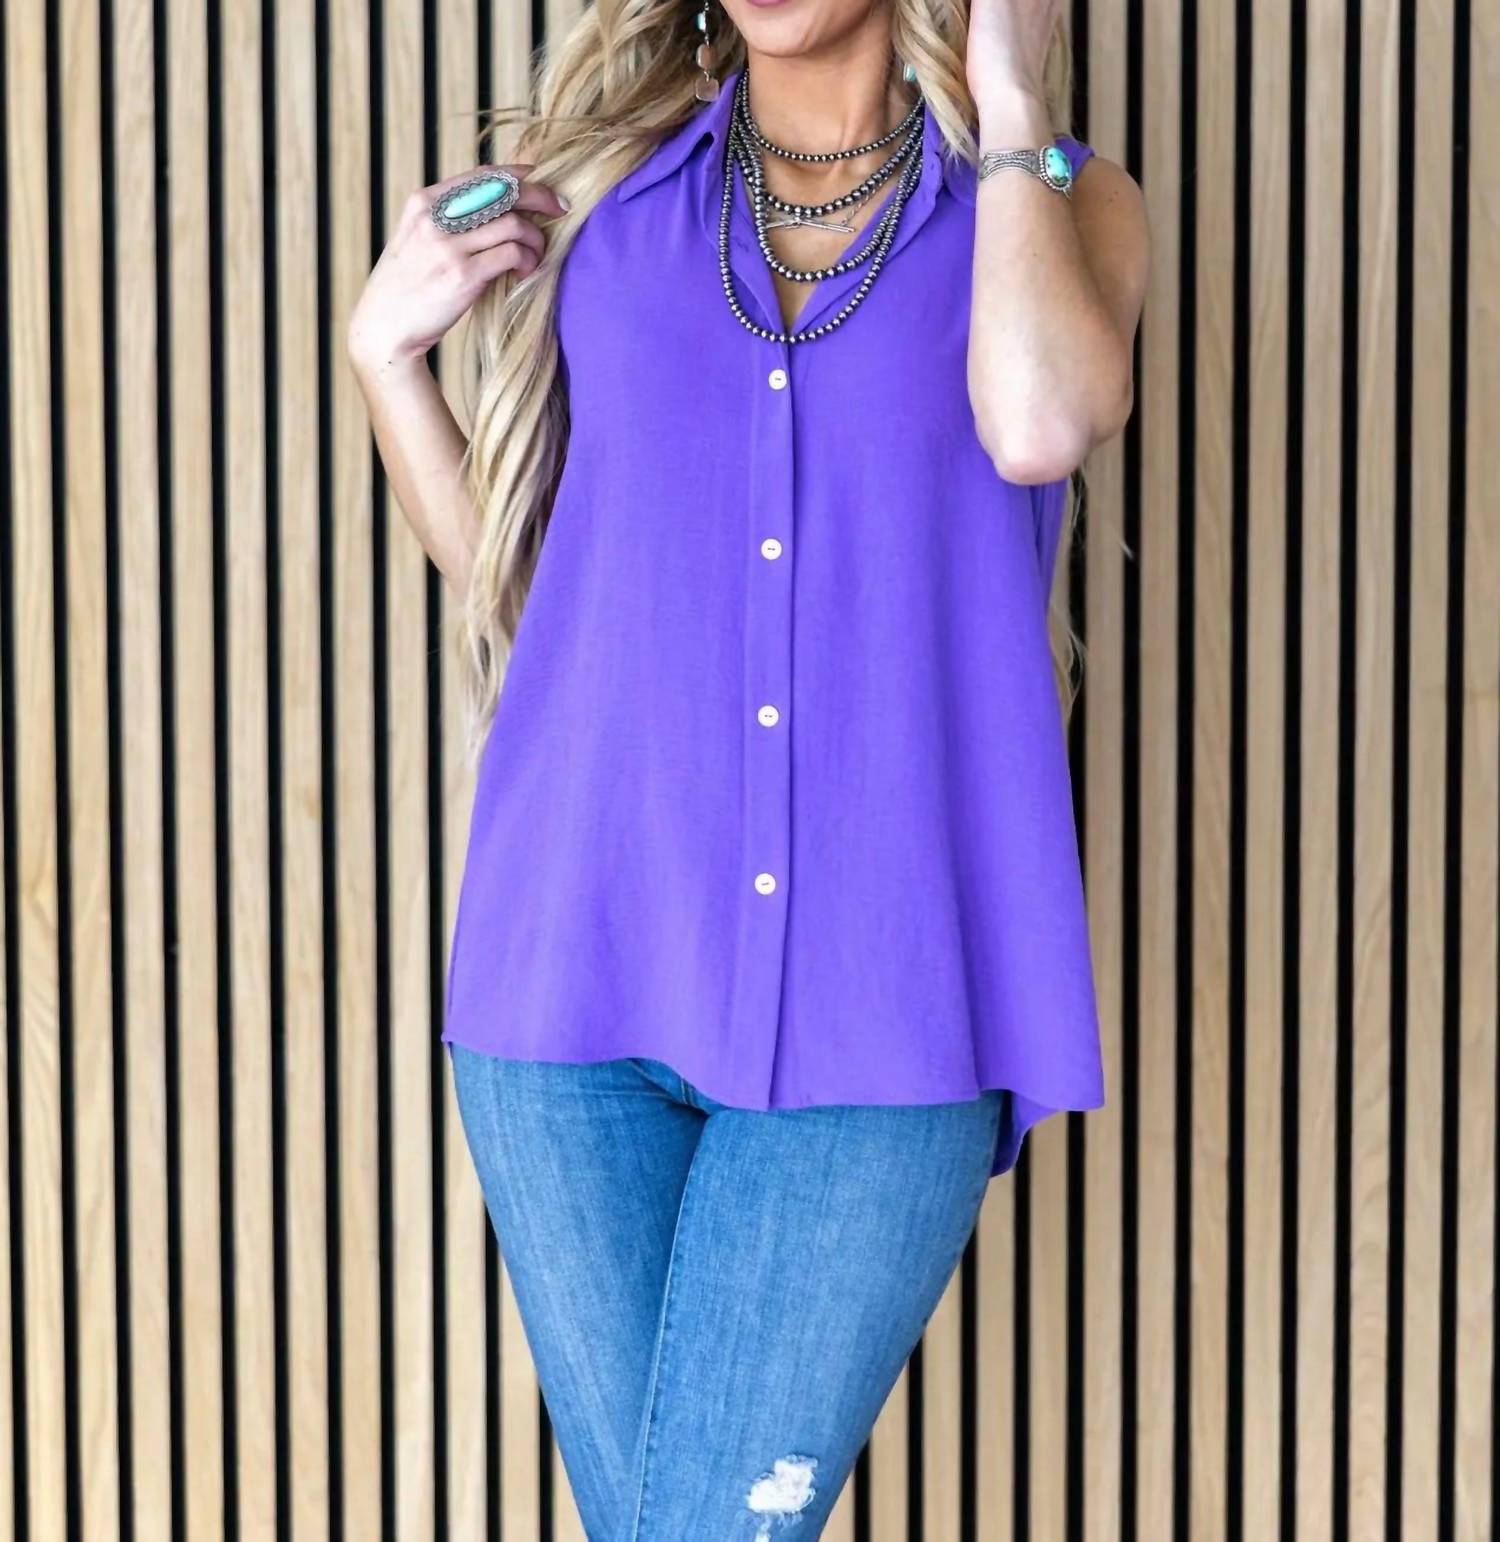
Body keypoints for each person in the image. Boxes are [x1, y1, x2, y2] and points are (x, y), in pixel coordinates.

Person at [349, 0, 1149, 1531]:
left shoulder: (1055, 197)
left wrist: (1005, 90)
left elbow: (1043, 421)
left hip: (883, 1013)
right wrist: (387, 361)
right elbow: (557, 608)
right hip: (570, 995)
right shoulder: (611, 203)